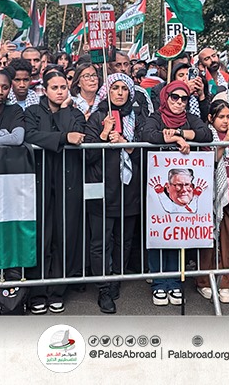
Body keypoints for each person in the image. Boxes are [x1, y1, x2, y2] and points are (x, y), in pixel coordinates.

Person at [139, 80, 214, 305]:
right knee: (160, 232)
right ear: (166, 97)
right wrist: (174, 138)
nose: (179, 103)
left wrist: (181, 133)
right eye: (175, 97)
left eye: (184, 99)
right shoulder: (156, 117)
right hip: (161, 187)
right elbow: (148, 134)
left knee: (178, 233)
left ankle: (174, 282)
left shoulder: (190, 119)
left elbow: (206, 134)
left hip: (183, 191)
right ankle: (160, 282)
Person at [23, 68, 87, 315]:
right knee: (42, 234)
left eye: (63, 87)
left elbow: (78, 134)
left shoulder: (74, 113)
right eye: (55, 88)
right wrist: (63, 137)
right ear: (45, 89)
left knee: (65, 234)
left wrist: (61, 127)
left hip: (67, 179)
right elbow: (30, 135)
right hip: (39, 179)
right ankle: (38, 291)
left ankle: (57, 290)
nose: (60, 92)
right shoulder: (32, 111)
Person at [84, 73, 147, 314]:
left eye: (124, 88)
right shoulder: (98, 116)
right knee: (100, 241)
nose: (119, 93)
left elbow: (145, 151)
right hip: (102, 189)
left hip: (128, 189)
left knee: (124, 240)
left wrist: (124, 142)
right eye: (115, 88)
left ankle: (116, 278)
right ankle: (103, 287)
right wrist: (103, 134)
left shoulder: (138, 116)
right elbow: (87, 156)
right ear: (107, 92)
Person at [196, 100, 229, 304]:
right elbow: (211, 161)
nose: (226, 121)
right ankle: (204, 281)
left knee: (228, 239)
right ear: (211, 118)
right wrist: (225, 141)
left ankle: (226, 282)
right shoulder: (206, 135)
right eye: (221, 117)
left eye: (228, 117)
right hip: (210, 193)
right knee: (208, 239)